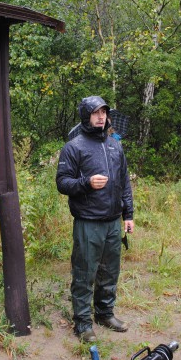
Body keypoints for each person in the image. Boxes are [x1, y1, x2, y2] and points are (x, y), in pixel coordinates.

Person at [56, 95, 135, 343]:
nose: (101, 116)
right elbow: (62, 183)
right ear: (86, 116)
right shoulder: (74, 147)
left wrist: (128, 214)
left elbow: (124, 182)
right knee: (84, 272)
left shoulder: (115, 145)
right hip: (88, 222)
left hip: (112, 221)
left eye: (104, 112)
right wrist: (86, 183)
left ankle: (104, 313)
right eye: (95, 112)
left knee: (110, 271)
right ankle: (82, 322)